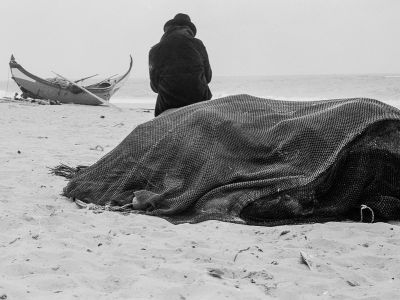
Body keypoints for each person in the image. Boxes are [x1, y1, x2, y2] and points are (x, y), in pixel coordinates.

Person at [149, 13, 212, 116]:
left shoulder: (154, 50)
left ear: (168, 29)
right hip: (199, 101)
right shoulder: (198, 44)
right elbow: (208, 78)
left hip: (167, 105)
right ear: (189, 29)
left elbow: (155, 87)